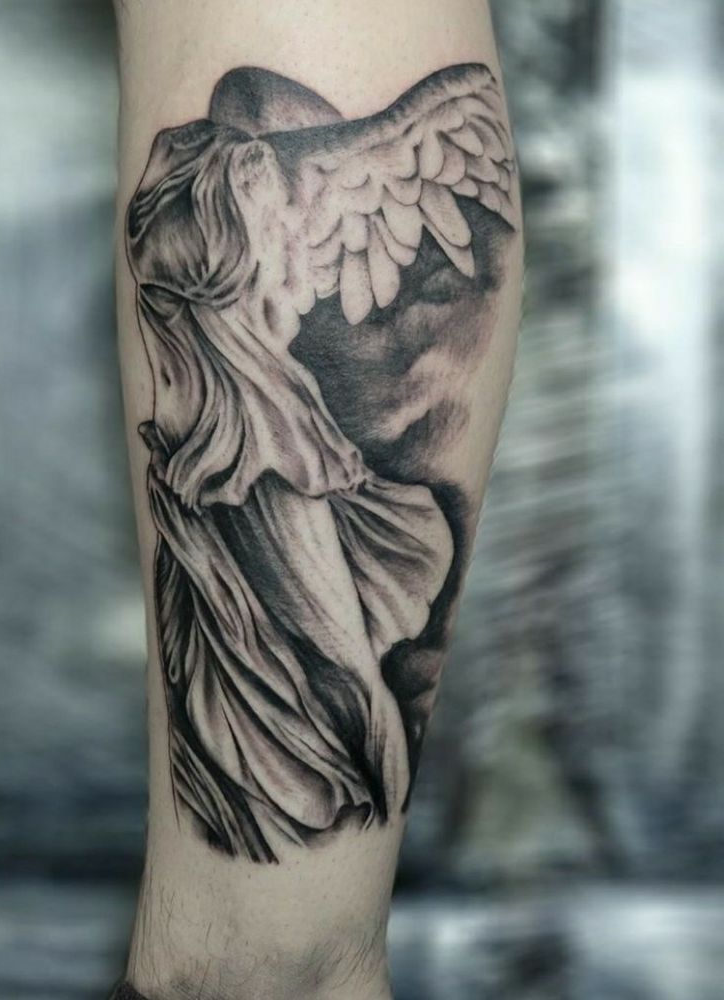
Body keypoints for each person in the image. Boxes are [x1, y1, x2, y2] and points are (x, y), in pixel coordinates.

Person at [111, 2, 523, 997]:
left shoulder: (207, 191)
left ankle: (264, 967)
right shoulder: (210, 185)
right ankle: (263, 965)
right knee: (280, 650)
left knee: (309, 658)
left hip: (250, 428)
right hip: (236, 428)